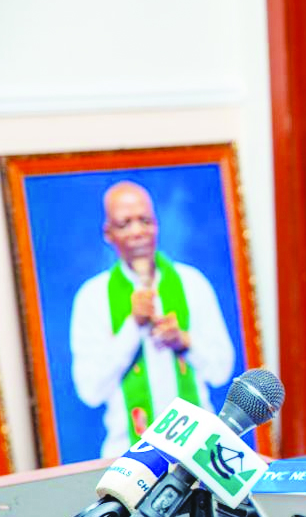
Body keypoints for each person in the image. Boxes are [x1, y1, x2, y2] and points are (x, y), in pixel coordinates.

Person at [70, 180, 236, 457]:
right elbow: (90, 391)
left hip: (199, 448)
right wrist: (132, 328)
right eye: (125, 224)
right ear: (108, 233)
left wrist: (183, 341)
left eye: (145, 220)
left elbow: (221, 372)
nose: (137, 231)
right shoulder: (93, 296)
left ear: (157, 225)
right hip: (127, 453)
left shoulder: (191, 283)